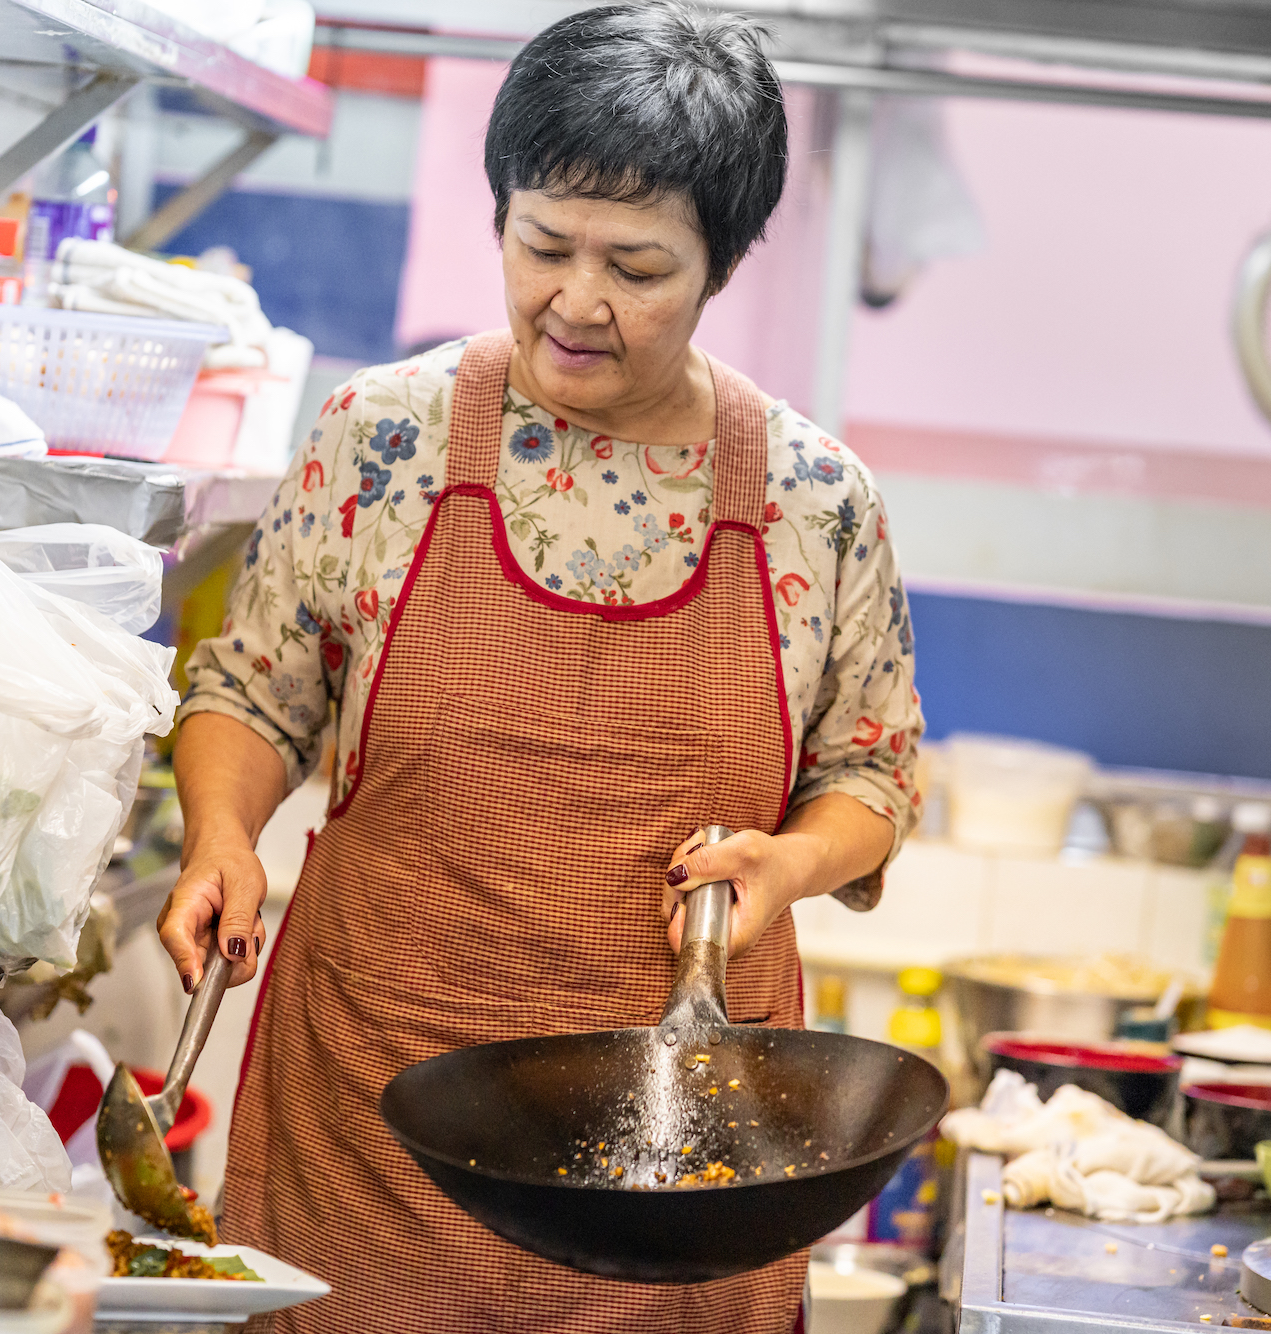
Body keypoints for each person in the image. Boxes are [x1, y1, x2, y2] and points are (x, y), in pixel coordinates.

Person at [160, 3, 923, 1328]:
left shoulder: (814, 496)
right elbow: (253, 688)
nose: (577, 301)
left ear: (722, 265)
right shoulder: (377, 439)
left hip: (675, 1164)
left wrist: (788, 863)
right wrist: (219, 831)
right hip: (376, 1125)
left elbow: (875, 771)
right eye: (542, 243)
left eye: (636, 266)